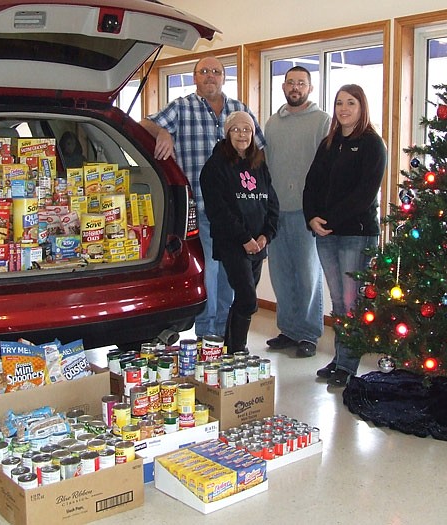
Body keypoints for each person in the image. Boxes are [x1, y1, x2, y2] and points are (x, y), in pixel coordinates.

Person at [141, 56, 265, 339]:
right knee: (209, 270)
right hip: (201, 207)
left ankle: (222, 328)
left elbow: (259, 152)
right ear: (195, 77)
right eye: (204, 71)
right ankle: (208, 330)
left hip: (236, 214)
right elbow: (143, 123)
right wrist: (163, 132)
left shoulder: (239, 110)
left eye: (216, 72)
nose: (210, 76)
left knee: (229, 274)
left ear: (224, 77)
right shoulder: (182, 107)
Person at [303, 84, 387, 386]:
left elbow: (364, 195)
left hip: (356, 234)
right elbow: (311, 183)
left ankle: (349, 366)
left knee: (352, 303)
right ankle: (339, 359)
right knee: (338, 301)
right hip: (325, 232)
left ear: (362, 107)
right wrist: (311, 216)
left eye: (351, 103)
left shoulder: (373, 144)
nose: (343, 109)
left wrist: (329, 220)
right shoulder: (330, 143)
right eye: (339, 103)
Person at [264, 66, 330, 358]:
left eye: (301, 83)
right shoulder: (271, 124)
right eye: (290, 83)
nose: (295, 88)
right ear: (283, 87)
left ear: (310, 88)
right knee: (281, 275)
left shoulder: (323, 121)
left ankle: (308, 334)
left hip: (307, 213)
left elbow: (330, 168)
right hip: (276, 211)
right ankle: (288, 330)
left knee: (307, 276)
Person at [200, 112, 279, 352]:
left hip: (258, 245)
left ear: (253, 134)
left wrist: (267, 234)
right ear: (227, 133)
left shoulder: (259, 163)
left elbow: (271, 202)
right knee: (247, 299)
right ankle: (237, 349)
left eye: (247, 129)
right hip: (233, 244)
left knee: (243, 299)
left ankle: (230, 349)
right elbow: (219, 211)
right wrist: (244, 238)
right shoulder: (214, 167)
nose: (242, 134)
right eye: (236, 129)